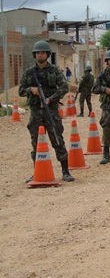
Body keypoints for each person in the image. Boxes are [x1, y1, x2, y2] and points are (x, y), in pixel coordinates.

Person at [18, 40, 75, 182]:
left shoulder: (54, 70)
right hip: (36, 111)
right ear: (35, 55)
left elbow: (63, 88)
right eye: (38, 53)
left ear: (48, 54)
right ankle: (37, 171)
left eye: (43, 52)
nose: (40, 55)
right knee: (36, 142)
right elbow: (21, 91)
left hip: (51, 110)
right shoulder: (29, 72)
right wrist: (31, 90)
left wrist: (50, 99)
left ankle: (65, 171)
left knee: (57, 139)